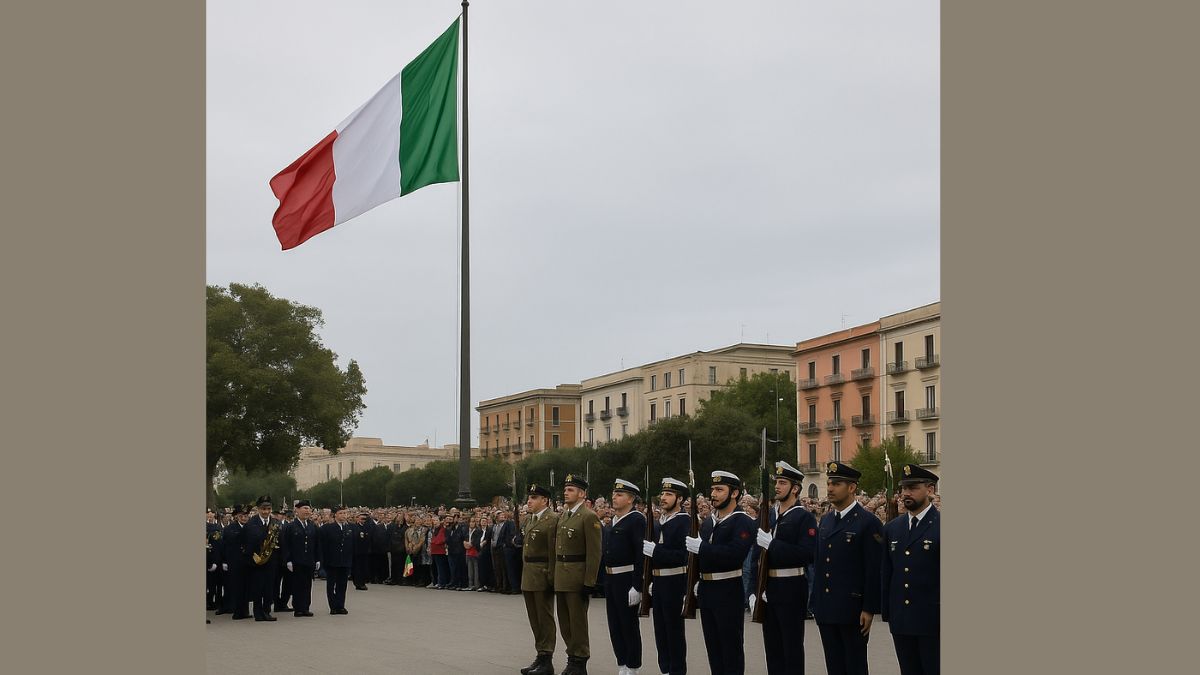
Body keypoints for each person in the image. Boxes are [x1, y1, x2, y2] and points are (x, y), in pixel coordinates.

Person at [811, 462, 883, 675]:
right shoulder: (825, 521)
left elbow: (873, 569)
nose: (830, 488)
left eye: (837, 483)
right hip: (827, 607)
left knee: (854, 666)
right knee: (834, 666)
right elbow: (819, 562)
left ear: (852, 488)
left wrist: (869, 608)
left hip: (852, 609)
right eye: (829, 483)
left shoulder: (867, 522)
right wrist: (816, 602)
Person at [685, 471, 756, 675]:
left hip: (728, 591)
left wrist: (703, 549)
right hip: (707, 590)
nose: (713, 494)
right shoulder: (709, 522)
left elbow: (735, 554)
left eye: (719, 490)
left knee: (730, 648)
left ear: (734, 493)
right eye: (713, 489)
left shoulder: (742, 521)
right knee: (713, 648)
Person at [753, 461, 819, 675]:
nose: (778, 487)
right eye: (777, 482)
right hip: (768, 586)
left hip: (791, 586)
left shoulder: (804, 517)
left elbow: (807, 554)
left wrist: (773, 544)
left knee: (791, 646)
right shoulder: (769, 515)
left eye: (783, 483)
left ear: (795, 488)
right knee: (772, 646)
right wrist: (757, 589)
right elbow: (757, 557)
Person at [881, 465, 940, 675]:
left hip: (933, 619)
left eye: (913, 487)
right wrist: (887, 611)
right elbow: (887, 572)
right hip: (902, 619)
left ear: (930, 490)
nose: (906, 493)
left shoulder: (940, 524)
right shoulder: (892, 528)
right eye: (904, 488)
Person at [554, 472, 603, 675]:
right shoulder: (564, 516)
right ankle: (571, 655)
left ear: (582, 494)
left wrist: (589, 581)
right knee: (565, 622)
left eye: (571, 490)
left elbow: (594, 552)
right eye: (565, 489)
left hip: (577, 577)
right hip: (562, 576)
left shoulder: (588, 517)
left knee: (577, 622)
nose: (566, 493)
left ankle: (580, 660)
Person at [643, 477, 691, 675]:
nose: (663, 497)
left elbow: (683, 556)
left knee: (674, 633)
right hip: (659, 582)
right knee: (660, 631)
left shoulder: (684, 522)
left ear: (679, 499)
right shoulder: (657, 522)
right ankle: (665, 670)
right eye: (662, 493)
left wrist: (657, 552)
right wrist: (651, 580)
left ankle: (677, 671)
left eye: (669, 494)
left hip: (675, 582)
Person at [603, 479, 646, 675]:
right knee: (614, 624)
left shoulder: (636, 519)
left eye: (619, 495)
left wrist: (637, 585)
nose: (614, 497)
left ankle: (633, 665)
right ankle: (622, 663)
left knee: (628, 624)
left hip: (626, 578)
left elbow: (640, 555)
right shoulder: (613, 520)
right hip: (611, 579)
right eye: (614, 494)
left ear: (631, 499)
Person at [518, 483, 559, 675]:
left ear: (545, 500)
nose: (529, 501)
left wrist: (552, 576)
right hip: (529, 574)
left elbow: (553, 551)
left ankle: (547, 658)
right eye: (529, 498)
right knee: (534, 618)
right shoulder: (529, 520)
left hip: (543, 574)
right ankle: (540, 655)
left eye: (534, 498)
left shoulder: (552, 520)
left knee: (545, 618)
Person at [243, 495, 280, 621]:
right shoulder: (251, 523)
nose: (266, 512)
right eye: (263, 509)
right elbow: (246, 543)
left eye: (268, 509)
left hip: (271, 561)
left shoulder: (275, 522)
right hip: (256, 561)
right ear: (258, 509)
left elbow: (280, 540)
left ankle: (267, 611)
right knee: (258, 587)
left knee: (269, 588)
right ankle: (258, 613)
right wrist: (252, 558)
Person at [281, 499, 320, 617]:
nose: (307, 511)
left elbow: (317, 544)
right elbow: (285, 545)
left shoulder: (313, 526)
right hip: (296, 561)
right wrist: (288, 560)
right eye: (304, 508)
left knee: (307, 585)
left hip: (309, 560)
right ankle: (298, 607)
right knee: (297, 585)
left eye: (308, 509)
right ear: (297, 510)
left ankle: (306, 607)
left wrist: (318, 559)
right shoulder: (291, 526)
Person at [317, 505, 354, 615]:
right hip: (332, 561)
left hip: (345, 561)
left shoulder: (349, 528)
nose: (343, 515)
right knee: (331, 584)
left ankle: (340, 605)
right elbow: (323, 546)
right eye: (341, 513)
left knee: (342, 585)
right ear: (335, 515)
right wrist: (322, 562)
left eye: (345, 513)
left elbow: (351, 546)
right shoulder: (327, 528)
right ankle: (333, 606)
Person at [218, 504, 250, 619]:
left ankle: (245, 611)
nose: (244, 518)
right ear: (237, 516)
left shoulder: (250, 527)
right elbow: (224, 546)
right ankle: (236, 611)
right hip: (234, 561)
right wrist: (224, 561)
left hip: (247, 561)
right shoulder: (229, 529)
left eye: (246, 516)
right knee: (235, 586)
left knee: (246, 587)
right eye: (242, 516)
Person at [206, 510, 223, 611]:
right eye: (208, 513)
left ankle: (217, 601)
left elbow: (221, 543)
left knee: (218, 583)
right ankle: (208, 601)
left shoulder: (218, 526)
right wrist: (210, 562)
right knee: (209, 583)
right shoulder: (207, 527)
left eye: (212, 512)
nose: (210, 514)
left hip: (218, 557)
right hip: (209, 557)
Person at [387, 511, 408, 585]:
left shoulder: (406, 527)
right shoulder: (392, 526)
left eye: (401, 517)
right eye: (398, 517)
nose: (400, 519)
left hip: (402, 549)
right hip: (394, 548)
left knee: (401, 564)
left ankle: (401, 579)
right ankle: (393, 578)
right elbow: (389, 537)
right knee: (394, 564)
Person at [430, 514, 451, 589]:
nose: (435, 522)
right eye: (434, 521)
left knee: (441, 568)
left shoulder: (443, 529)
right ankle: (437, 582)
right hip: (434, 551)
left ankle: (442, 583)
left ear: (440, 521)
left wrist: (435, 542)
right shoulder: (433, 530)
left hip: (440, 551)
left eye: (436, 520)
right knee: (435, 568)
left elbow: (443, 539)